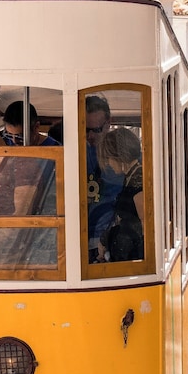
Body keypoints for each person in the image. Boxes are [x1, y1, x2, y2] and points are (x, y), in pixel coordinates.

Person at [84, 95, 124, 263]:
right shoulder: (75, 153)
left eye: (97, 130)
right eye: (86, 129)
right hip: (79, 239)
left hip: (110, 240)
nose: (91, 136)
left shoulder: (122, 154)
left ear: (108, 123)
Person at [97, 128, 144, 262]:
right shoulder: (131, 176)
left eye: (108, 158)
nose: (108, 163)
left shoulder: (137, 180)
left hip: (134, 257)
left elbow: (144, 224)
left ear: (119, 156)